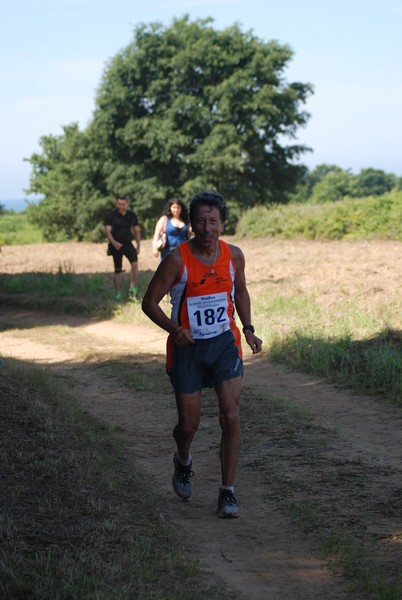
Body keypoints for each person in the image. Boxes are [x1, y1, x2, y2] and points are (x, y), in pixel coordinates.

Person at [142, 190, 262, 518]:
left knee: (231, 416)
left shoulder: (234, 256)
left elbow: (240, 290)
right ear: (191, 225)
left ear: (223, 223)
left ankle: (227, 491)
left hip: (224, 343)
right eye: (200, 221)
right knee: (189, 425)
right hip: (188, 348)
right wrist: (174, 330)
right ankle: (183, 459)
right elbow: (148, 302)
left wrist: (248, 328)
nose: (207, 227)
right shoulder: (177, 259)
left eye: (213, 221)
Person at [104, 194, 141, 300]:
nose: (121, 206)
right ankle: (118, 293)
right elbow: (108, 232)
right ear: (116, 203)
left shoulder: (132, 215)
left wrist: (138, 246)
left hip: (128, 244)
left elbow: (137, 231)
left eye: (123, 204)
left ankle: (132, 287)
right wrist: (114, 243)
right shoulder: (111, 216)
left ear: (127, 204)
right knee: (118, 270)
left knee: (134, 264)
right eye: (119, 204)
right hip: (115, 246)